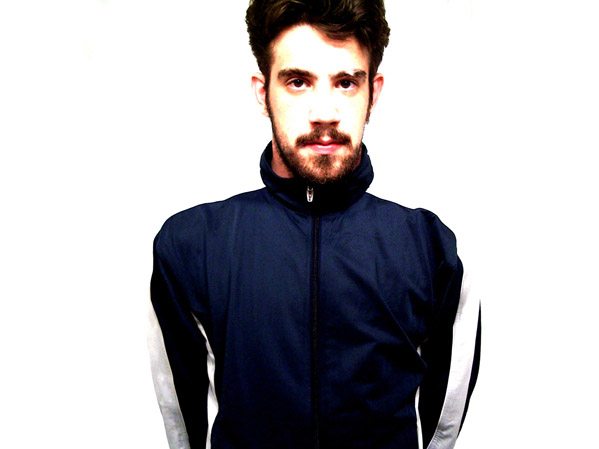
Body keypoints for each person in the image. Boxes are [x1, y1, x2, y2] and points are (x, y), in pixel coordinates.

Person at [148, 1, 481, 448]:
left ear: (373, 93)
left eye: (346, 82)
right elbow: (183, 422)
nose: (324, 112)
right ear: (262, 92)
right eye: (298, 82)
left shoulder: (431, 250)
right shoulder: (190, 247)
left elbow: (441, 427)